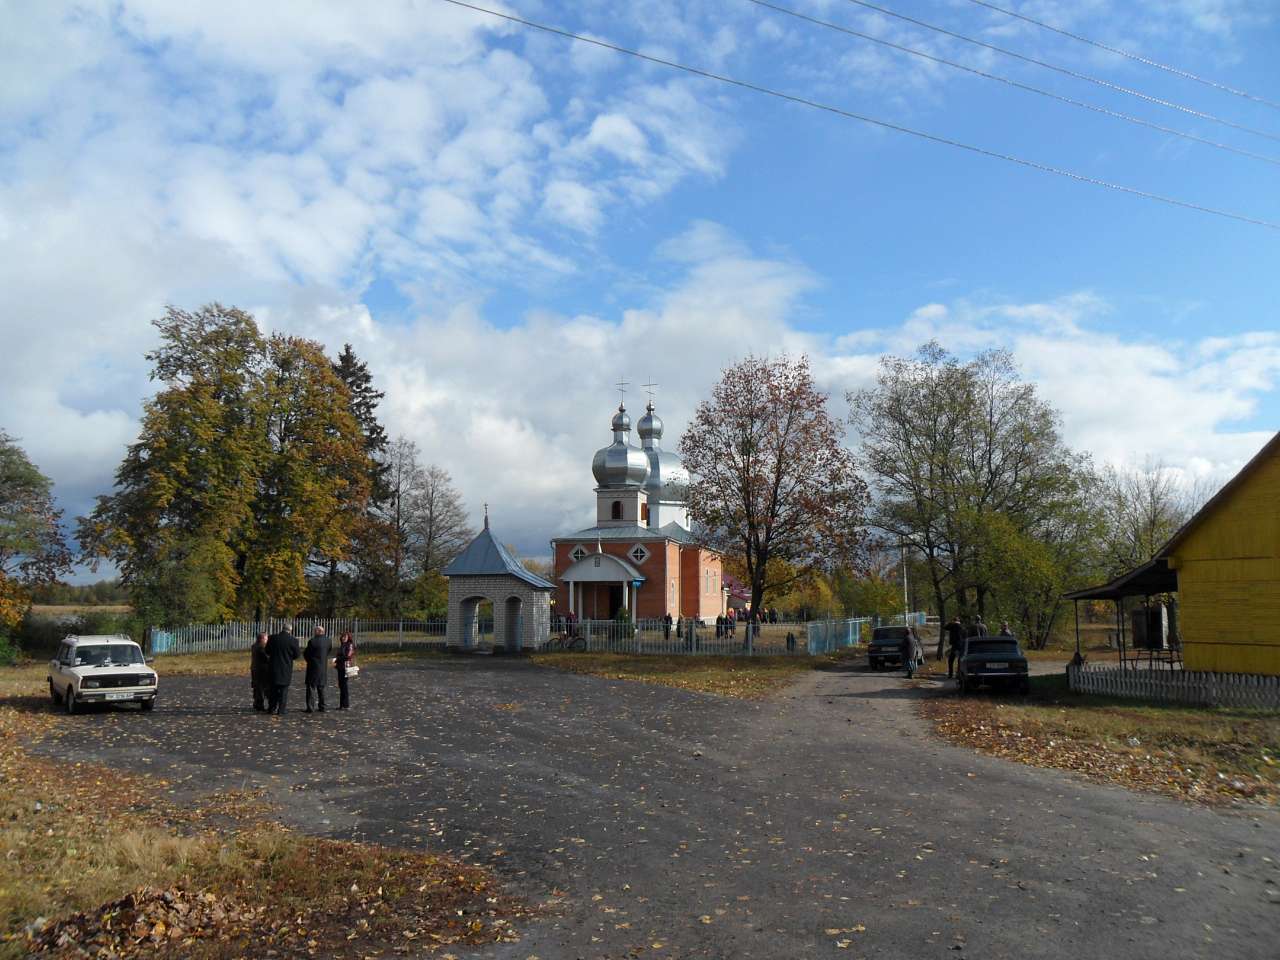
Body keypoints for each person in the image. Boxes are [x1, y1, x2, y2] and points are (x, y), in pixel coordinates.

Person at [265, 623, 300, 715]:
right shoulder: (293, 640)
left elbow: (267, 651)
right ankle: (281, 710)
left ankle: (271, 708)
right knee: (284, 690)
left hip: (273, 667)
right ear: (290, 630)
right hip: (286, 667)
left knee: (273, 689)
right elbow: (297, 655)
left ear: (282, 628)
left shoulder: (272, 638)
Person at [304, 625, 331, 713]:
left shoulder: (312, 641)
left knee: (311, 688)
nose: (313, 632)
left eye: (315, 631)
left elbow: (307, 654)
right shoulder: (328, 641)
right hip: (323, 666)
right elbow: (328, 651)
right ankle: (322, 706)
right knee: (321, 687)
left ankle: (310, 707)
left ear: (318, 631)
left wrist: (309, 660)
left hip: (313, 667)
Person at [250, 632, 271, 711]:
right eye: (266, 638)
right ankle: (259, 704)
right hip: (262, 670)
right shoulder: (261, 648)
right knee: (262, 687)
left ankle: (257, 703)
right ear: (262, 639)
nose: (267, 640)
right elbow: (267, 658)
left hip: (255, 669)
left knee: (257, 687)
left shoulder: (254, 646)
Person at [335, 630, 355, 710]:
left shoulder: (350, 645)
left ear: (348, 637)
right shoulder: (342, 645)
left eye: (345, 637)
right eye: (342, 637)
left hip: (346, 667)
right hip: (340, 667)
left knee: (344, 686)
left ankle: (346, 705)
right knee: (341, 685)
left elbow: (348, 656)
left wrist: (338, 659)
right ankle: (341, 705)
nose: (343, 638)